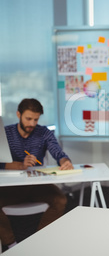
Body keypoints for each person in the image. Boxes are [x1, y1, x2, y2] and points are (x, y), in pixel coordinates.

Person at [0, 98, 73, 252]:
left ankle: (38, 241)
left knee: (60, 200)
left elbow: (58, 152)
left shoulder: (44, 132)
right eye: (28, 119)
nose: (32, 124)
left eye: (36, 119)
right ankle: (11, 244)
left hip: (37, 184)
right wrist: (20, 165)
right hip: (11, 187)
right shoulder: (5, 133)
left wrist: (64, 161)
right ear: (18, 114)